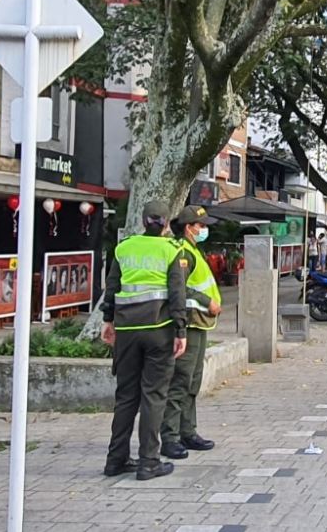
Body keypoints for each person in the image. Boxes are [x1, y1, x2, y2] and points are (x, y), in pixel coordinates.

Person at [101, 201, 189, 481]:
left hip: (126, 330)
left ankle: (115, 460)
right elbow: (177, 294)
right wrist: (181, 331)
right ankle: (149, 461)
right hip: (159, 330)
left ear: (142, 221)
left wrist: (108, 320)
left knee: (126, 395)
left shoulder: (124, 248)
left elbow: (112, 286)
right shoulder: (171, 249)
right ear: (166, 223)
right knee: (154, 395)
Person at [161, 206, 222, 460]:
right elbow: (180, 290)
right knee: (180, 383)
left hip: (199, 325)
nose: (203, 229)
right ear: (189, 228)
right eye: (201, 226)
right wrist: (208, 302)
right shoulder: (184, 253)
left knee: (192, 383)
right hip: (189, 325)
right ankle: (170, 437)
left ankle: (188, 431)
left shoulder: (193, 250)